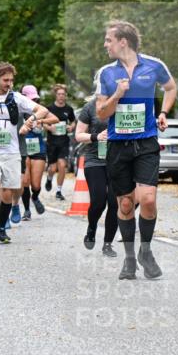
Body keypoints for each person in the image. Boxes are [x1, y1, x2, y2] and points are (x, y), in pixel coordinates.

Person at [95, 20, 177, 280]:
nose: (105, 45)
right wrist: (117, 94)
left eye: (109, 40)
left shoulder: (154, 65)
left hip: (146, 144)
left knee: (149, 199)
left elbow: (171, 87)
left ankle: (146, 251)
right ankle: (130, 259)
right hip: (118, 146)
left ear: (123, 41)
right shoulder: (106, 73)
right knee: (127, 204)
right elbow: (101, 112)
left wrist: (163, 112)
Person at [0, 63, 57, 245]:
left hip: (11, 152)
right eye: (5, 80)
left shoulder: (16, 98)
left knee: (8, 192)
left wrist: (30, 122)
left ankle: (2, 227)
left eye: (11, 80)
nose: (9, 83)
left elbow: (43, 110)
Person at [75, 97, 118, 257]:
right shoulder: (91, 106)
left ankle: (108, 244)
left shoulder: (125, 103)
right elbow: (78, 135)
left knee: (115, 203)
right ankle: (91, 228)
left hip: (119, 161)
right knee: (99, 201)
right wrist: (96, 136)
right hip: (95, 161)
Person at [18, 84, 47, 220]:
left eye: (35, 99)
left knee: (36, 184)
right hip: (23, 149)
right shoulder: (17, 109)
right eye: (31, 99)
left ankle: (35, 197)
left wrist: (41, 121)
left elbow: (55, 119)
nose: (33, 101)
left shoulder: (39, 110)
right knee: (25, 181)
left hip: (38, 148)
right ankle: (27, 210)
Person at [44, 84, 76, 201]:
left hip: (63, 141)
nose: (61, 96)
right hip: (52, 142)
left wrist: (71, 127)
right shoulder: (49, 109)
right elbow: (43, 123)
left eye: (63, 94)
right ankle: (49, 178)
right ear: (55, 95)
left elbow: (73, 122)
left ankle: (58, 191)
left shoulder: (69, 109)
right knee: (52, 168)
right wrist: (49, 127)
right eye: (59, 94)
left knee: (62, 165)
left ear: (66, 96)